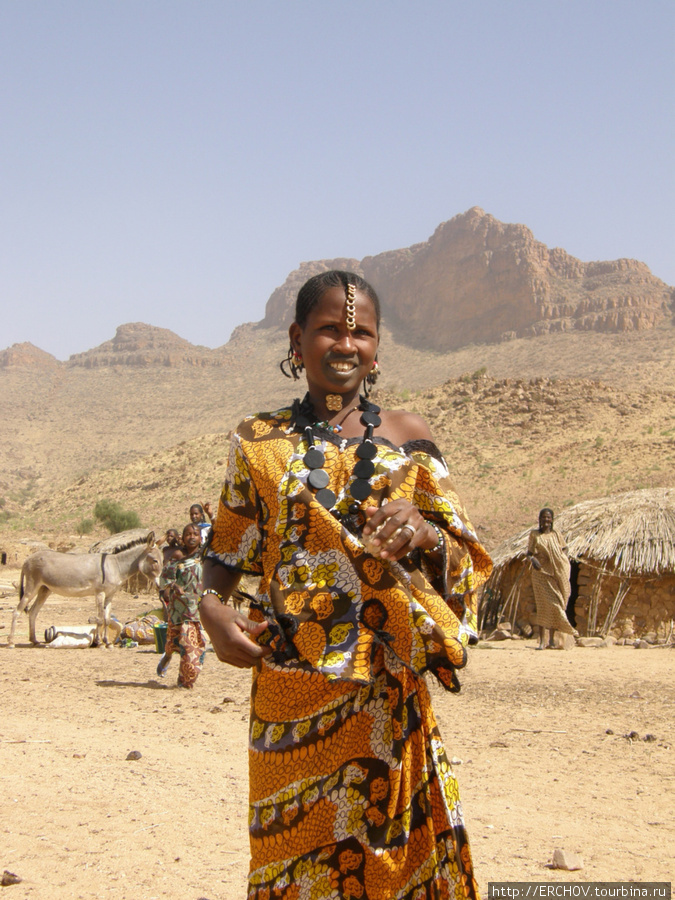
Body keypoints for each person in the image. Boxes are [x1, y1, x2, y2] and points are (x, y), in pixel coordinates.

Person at [199, 270, 492, 899]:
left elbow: (465, 558)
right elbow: (226, 551)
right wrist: (210, 609)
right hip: (290, 690)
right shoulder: (257, 441)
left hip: (387, 688)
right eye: (330, 328)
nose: (345, 343)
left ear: (378, 349)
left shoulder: (409, 436)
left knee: (394, 866)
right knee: (293, 863)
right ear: (297, 338)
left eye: (360, 332)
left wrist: (424, 533)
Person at [157, 523, 206, 687]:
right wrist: (173, 586)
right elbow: (164, 578)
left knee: (191, 645)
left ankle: (184, 680)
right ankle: (168, 656)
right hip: (179, 608)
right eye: (188, 534)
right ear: (183, 539)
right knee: (173, 641)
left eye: (195, 534)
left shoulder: (203, 555)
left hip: (196, 608)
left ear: (200, 538)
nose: (192, 537)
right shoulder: (178, 555)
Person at [527, 508, 578, 649]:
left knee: (556, 604)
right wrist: (533, 560)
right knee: (543, 605)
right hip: (540, 574)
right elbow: (529, 553)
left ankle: (552, 641)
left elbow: (564, 548)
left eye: (548, 517)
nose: (546, 520)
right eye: (543, 517)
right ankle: (542, 641)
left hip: (554, 573)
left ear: (552, 519)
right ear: (539, 519)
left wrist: (561, 560)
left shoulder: (556, 535)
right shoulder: (534, 534)